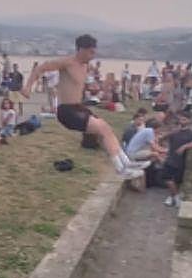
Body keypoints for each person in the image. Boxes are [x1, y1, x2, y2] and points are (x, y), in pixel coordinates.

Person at [20, 35, 147, 180]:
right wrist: (28, 87)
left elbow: (80, 86)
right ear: (81, 50)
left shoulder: (86, 66)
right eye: (91, 52)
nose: (93, 56)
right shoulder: (67, 62)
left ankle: (126, 163)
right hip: (66, 111)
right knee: (102, 129)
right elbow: (40, 68)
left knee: (107, 129)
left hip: (78, 107)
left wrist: (98, 87)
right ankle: (121, 170)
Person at [159, 111, 192, 208]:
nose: (182, 121)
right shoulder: (175, 131)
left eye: (184, 119)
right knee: (167, 179)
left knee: (176, 181)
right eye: (181, 119)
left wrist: (184, 146)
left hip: (180, 161)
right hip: (170, 159)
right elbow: (162, 138)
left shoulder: (190, 133)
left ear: (189, 121)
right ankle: (176, 198)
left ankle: (172, 197)